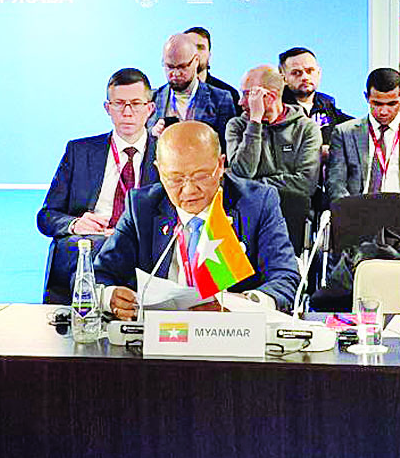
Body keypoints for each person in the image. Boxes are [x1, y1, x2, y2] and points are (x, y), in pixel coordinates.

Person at [93, 121, 300, 317]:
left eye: (201, 176)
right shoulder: (141, 207)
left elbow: (285, 277)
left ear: (220, 165)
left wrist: (243, 304)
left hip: (232, 332)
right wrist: (109, 297)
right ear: (159, 171)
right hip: (162, 333)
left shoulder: (256, 203)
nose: (189, 190)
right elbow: (98, 275)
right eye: (175, 179)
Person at [37, 69, 159, 303]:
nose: (127, 112)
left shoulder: (165, 155)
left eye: (135, 104)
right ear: (107, 108)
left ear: (150, 108)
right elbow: (46, 216)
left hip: (143, 248)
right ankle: (89, 308)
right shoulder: (79, 152)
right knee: (87, 249)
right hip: (88, 244)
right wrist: (75, 224)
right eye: (119, 104)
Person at [326, 68, 400, 202]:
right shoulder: (344, 133)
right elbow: (336, 184)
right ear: (366, 97)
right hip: (358, 209)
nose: (384, 111)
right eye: (377, 103)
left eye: (392, 104)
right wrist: (350, 209)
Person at [224, 65, 322, 199]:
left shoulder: (306, 128)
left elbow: (306, 184)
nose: (240, 102)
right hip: (249, 205)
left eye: (248, 94)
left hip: (293, 206)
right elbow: (242, 173)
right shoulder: (237, 126)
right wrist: (255, 122)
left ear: (270, 97)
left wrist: (251, 185)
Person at [148, 32, 236, 139]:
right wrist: (152, 132)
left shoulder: (220, 99)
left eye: (182, 67)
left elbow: (227, 144)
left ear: (196, 61)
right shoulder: (152, 98)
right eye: (169, 67)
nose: (176, 73)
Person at [278, 47, 351, 142]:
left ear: (319, 73)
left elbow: (355, 126)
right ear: (284, 79)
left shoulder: (326, 104)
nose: (305, 77)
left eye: (310, 71)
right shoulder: (277, 108)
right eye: (296, 73)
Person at [184, 26, 240, 104]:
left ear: (209, 55)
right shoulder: (167, 94)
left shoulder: (229, 95)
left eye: (200, 47)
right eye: (190, 47)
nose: (195, 52)